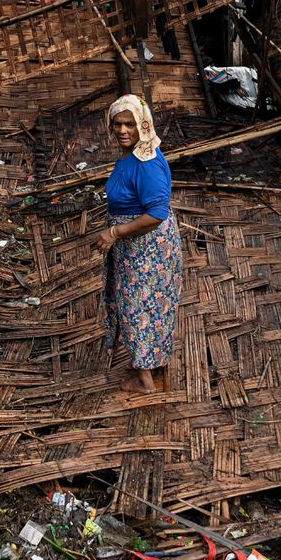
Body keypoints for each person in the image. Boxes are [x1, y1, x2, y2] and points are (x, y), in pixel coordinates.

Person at [94, 95, 183, 393]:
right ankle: (151, 360)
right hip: (140, 246)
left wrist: (116, 232)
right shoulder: (134, 154)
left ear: (142, 125)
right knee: (150, 303)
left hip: (146, 248)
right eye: (117, 124)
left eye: (130, 125)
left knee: (138, 306)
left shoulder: (147, 163)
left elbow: (157, 213)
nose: (122, 130)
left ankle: (145, 380)